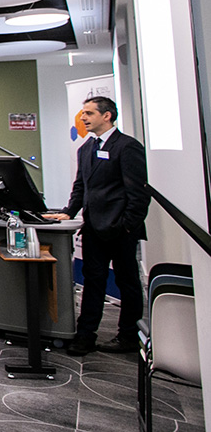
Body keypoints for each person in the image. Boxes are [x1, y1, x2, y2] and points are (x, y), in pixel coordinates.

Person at [44, 96, 150, 356]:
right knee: (93, 282)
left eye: (89, 113)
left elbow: (139, 194)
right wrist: (69, 212)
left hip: (120, 229)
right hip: (93, 228)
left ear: (107, 116)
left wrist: (127, 225)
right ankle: (86, 334)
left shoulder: (127, 147)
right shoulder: (86, 149)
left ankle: (128, 335)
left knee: (128, 283)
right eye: (82, 114)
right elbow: (81, 186)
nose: (83, 118)